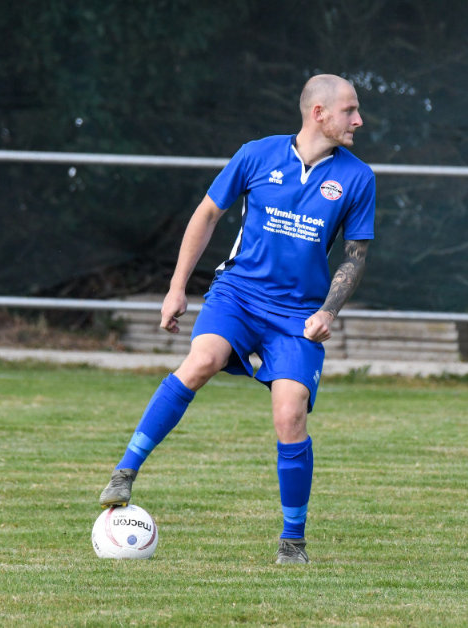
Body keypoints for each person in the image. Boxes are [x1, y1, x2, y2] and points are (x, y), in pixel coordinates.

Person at [100, 74, 376, 564]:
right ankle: (125, 470)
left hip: (297, 313)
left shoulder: (358, 178)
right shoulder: (256, 154)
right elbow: (207, 214)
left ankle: (293, 541)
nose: (359, 120)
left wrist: (327, 311)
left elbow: (355, 257)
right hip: (239, 294)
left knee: (290, 414)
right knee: (202, 360)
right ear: (318, 113)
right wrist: (177, 288)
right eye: (349, 110)